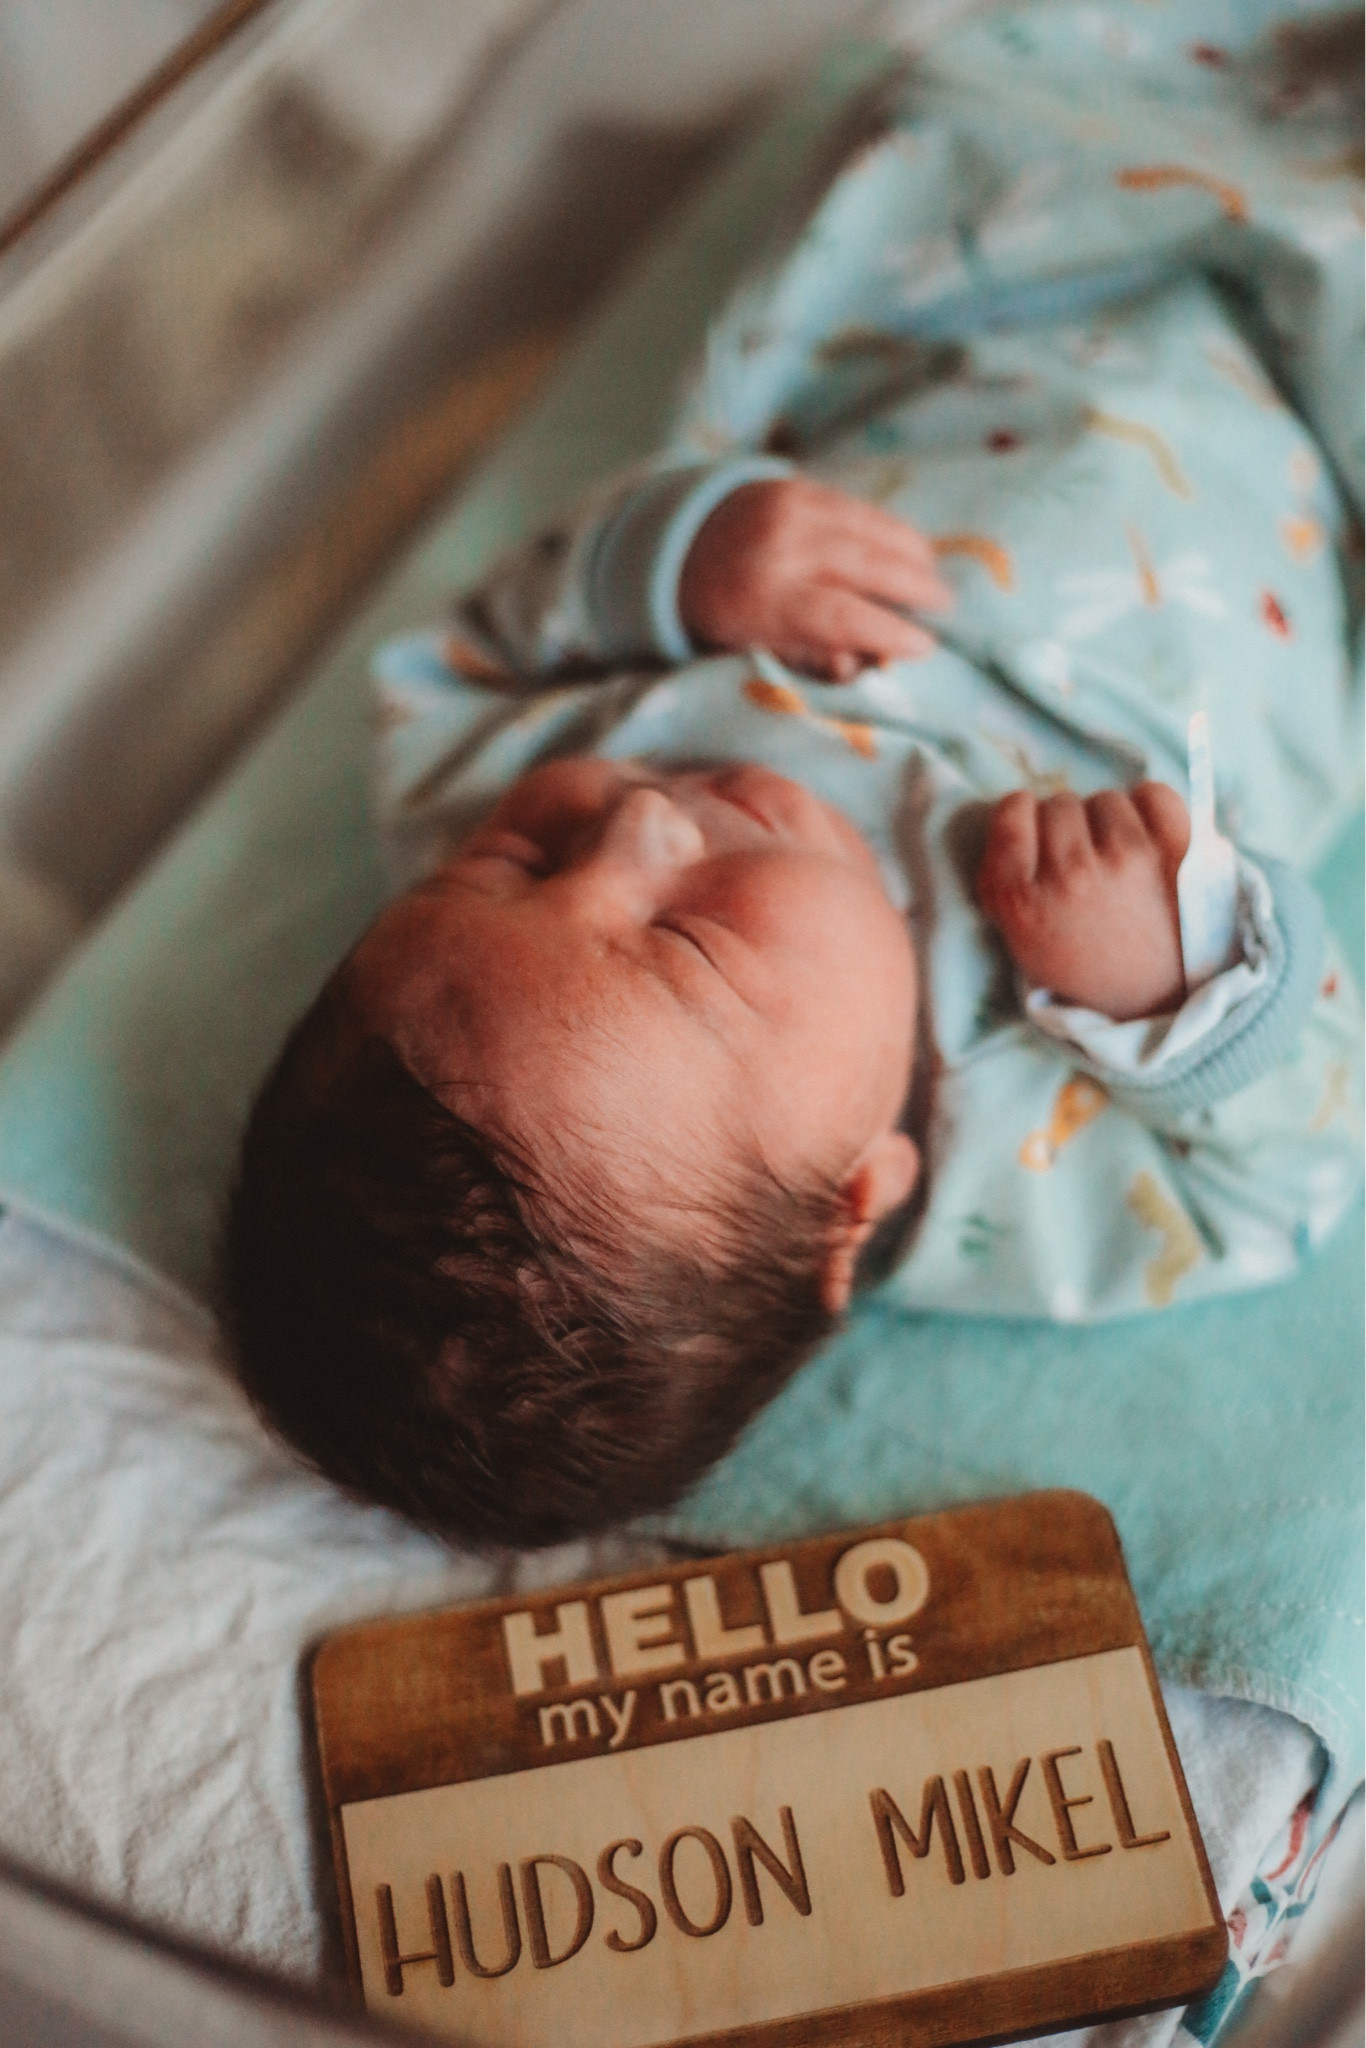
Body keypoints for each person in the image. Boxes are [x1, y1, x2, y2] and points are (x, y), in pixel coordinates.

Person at [223, 1, 1363, 1548]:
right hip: (1308, 506)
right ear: (849, 1202)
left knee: (1003, 107)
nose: (631, 818)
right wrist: (1179, 986)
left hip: (988, 330)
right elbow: (1281, 1182)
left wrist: (680, 558)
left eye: (518, 865)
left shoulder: (471, 782)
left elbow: (469, 655)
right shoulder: (1011, 1185)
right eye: (684, 939)